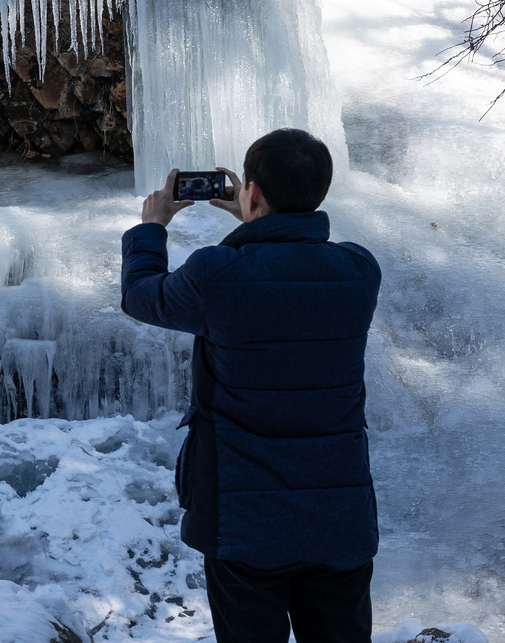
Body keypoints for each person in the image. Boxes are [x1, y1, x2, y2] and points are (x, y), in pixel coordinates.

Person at [120, 128, 382, 643]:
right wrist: (260, 221)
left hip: (244, 518)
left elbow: (141, 296)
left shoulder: (220, 275)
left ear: (253, 192)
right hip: (338, 518)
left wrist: (153, 228)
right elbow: (291, 272)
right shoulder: (357, 271)